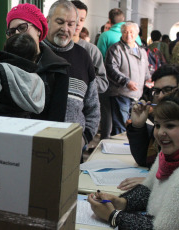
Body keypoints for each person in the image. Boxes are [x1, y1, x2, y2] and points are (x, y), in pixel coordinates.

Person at [88, 90, 179, 229]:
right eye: (158, 125)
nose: (160, 133)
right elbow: (148, 189)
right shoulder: (166, 158)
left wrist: (113, 216)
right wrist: (121, 202)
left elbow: (161, 228)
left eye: (170, 126)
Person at [44, 0, 100, 151]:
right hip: (37, 145)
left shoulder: (83, 57)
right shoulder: (35, 53)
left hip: (73, 147)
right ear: (48, 20)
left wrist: (85, 138)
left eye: (70, 24)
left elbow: (93, 107)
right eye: (60, 22)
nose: (65, 28)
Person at [6, 3, 71, 123]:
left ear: (38, 30)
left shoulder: (58, 68)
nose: (16, 34)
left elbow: (56, 117)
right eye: (11, 31)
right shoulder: (4, 65)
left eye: (22, 27)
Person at [119, 65, 179, 190]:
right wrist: (138, 126)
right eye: (156, 91)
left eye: (168, 89)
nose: (161, 96)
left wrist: (153, 181)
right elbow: (144, 160)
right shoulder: (160, 124)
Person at [0, 33, 45, 117]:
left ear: (5, 50)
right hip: (26, 125)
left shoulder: (0, 70)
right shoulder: (38, 79)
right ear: (34, 56)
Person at [105, 21, 151, 135]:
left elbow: (146, 69)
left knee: (132, 124)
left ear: (137, 33)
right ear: (121, 33)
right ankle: (118, 149)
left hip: (136, 95)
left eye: (131, 32)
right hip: (121, 94)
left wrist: (148, 80)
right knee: (121, 125)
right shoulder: (116, 49)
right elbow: (111, 69)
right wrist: (126, 82)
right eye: (125, 32)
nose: (128, 35)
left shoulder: (142, 50)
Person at [71, 0, 108, 94]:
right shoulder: (53, 47)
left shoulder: (92, 50)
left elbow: (103, 83)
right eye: (75, 18)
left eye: (82, 20)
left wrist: (81, 82)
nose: (78, 23)